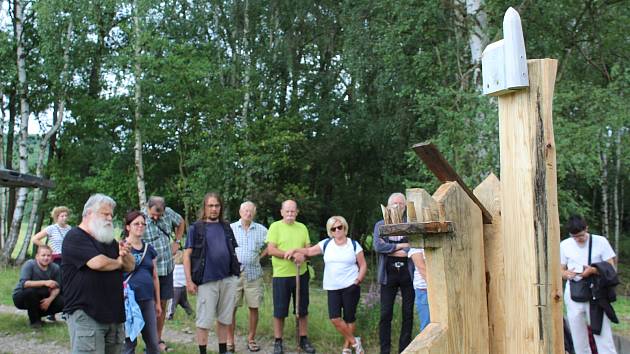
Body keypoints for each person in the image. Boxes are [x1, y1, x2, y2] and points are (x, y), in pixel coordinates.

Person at [62, 193, 135, 353]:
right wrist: (118, 262)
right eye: (105, 214)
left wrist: (125, 254)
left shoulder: (109, 241)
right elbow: (97, 262)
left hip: (113, 315)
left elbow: (130, 266)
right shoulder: (75, 236)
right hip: (87, 314)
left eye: (111, 215)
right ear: (89, 214)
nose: (110, 218)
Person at [284, 215, 367, 354]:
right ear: (330, 231)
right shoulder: (326, 244)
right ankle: (354, 341)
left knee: (349, 318)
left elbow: (363, 264)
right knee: (335, 318)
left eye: (339, 227)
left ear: (344, 227)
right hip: (332, 287)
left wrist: (358, 280)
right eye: (333, 228)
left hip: (350, 286)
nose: (337, 230)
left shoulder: (354, 244)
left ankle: (346, 348)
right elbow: (309, 251)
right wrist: (295, 250)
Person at [183, 192, 240, 354]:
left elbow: (232, 251)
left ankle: (223, 350)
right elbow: (187, 255)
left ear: (220, 208)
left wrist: (236, 275)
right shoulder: (196, 228)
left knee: (224, 318)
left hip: (228, 279)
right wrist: (189, 281)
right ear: (205, 207)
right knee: (204, 321)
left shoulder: (226, 227)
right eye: (210, 206)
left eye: (217, 206)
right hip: (206, 280)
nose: (214, 209)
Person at [561, 215, 617, 354]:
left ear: (586, 228)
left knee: (603, 335)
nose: (578, 239)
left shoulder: (600, 242)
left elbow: (611, 268)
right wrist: (566, 274)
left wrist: (593, 270)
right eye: (574, 237)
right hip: (574, 292)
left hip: (596, 293)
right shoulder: (565, 245)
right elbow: (560, 270)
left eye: (581, 235)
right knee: (578, 336)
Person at [265, 199, 316, 354]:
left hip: (301, 274)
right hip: (281, 275)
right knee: (280, 310)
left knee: (302, 309)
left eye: (292, 211)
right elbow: (271, 250)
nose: (290, 214)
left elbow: (309, 250)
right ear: (281, 212)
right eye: (287, 211)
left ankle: (303, 339)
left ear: (297, 212)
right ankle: (278, 341)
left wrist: (302, 255)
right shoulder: (275, 227)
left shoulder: (302, 227)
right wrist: (291, 255)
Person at [142, 195, 185, 352]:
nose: (155, 217)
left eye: (159, 215)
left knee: (162, 304)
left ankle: (158, 339)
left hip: (166, 268)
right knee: (149, 305)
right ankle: (149, 341)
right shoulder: (140, 218)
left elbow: (181, 223)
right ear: (148, 208)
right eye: (153, 214)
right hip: (148, 270)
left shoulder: (168, 213)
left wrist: (177, 242)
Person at [373, 192, 414, 354]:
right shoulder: (380, 225)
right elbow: (378, 247)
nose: (397, 206)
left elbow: (414, 247)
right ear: (388, 206)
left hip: (407, 273)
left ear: (405, 207)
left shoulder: (410, 224)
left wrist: (390, 248)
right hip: (388, 274)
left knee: (408, 313)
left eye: (401, 204)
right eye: (394, 204)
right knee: (385, 313)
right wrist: (401, 246)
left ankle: (404, 349)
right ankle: (385, 350)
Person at [227, 201, 268, 352]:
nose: (248, 213)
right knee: (231, 308)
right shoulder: (230, 228)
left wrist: (260, 257)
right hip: (233, 274)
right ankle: (230, 341)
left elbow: (270, 245)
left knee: (254, 307)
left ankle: (251, 339)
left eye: (251, 211)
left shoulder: (262, 230)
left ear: (254, 213)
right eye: (245, 210)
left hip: (254, 274)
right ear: (240, 212)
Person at [122, 210, 161, 354]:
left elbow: (155, 276)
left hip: (147, 299)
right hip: (127, 301)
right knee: (128, 344)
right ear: (128, 227)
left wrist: (157, 302)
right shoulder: (121, 248)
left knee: (153, 343)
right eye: (136, 223)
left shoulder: (149, 249)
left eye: (142, 224)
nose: (140, 226)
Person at [12, 245, 63, 328]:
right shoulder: (29, 264)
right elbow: (24, 283)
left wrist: (49, 300)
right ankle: (34, 322)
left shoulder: (55, 268)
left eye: (48, 255)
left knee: (62, 301)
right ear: (37, 256)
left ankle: (36, 316)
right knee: (30, 292)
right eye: (43, 255)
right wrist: (45, 282)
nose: (46, 258)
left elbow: (57, 287)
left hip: (42, 296)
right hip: (22, 296)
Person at [408, 248, 430, 332]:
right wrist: (438, 289)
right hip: (424, 290)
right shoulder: (416, 246)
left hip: (440, 289)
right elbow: (422, 268)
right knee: (427, 328)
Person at [168, 249, 193, 320]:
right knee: (184, 302)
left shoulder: (174, 267)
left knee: (173, 303)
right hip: (183, 288)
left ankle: (170, 315)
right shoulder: (184, 268)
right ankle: (190, 312)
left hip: (175, 288)